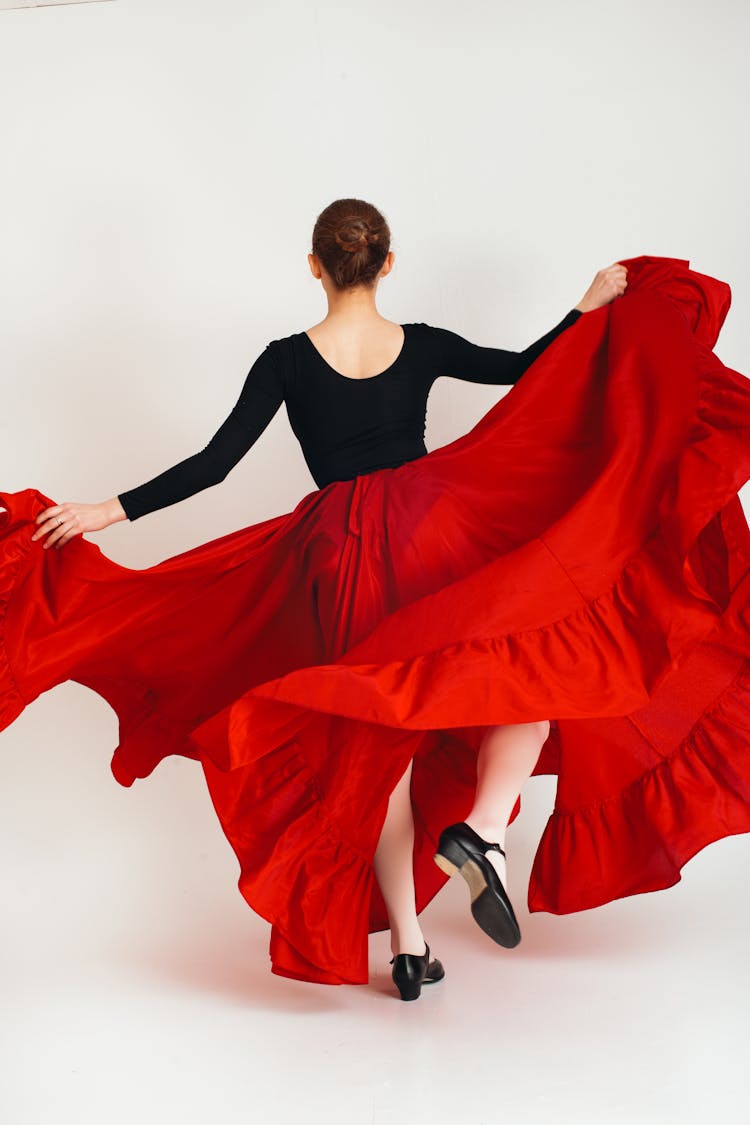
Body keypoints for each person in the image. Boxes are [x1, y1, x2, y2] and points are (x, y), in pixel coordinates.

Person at [2, 200, 749, 1001]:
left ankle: (407, 942)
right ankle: (486, 833)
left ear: (315, 266)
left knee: (379, 745)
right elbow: (527, 368)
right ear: (386, 264)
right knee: (531, 661)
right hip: (435, 524)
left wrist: (102, 510)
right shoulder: (419, 343)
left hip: (338, 552)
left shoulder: (286, 360)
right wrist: (588, 304)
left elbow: (215, 463)